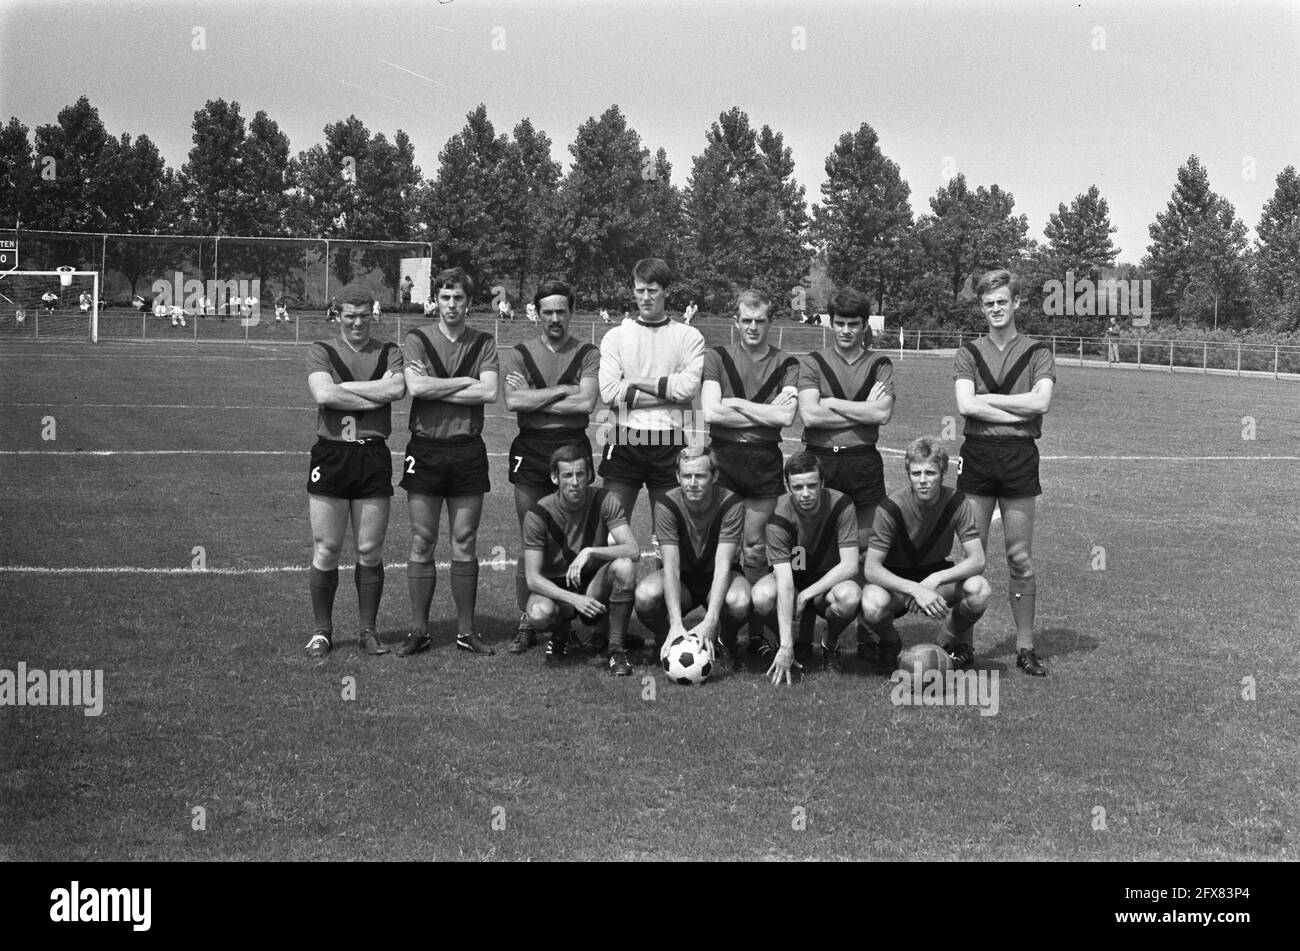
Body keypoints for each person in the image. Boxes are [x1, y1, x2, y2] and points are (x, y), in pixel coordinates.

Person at [953, 268, 1056, 677]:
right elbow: (965, 406)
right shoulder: (968, 351)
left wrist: (988, 399)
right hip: (977, 455)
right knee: (971, 558)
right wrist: (1018, 404)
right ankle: (963, 645)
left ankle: (1025, 648)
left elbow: (1042, 403)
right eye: (988, 303)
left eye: (1002, 301)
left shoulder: (1038, 352)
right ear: (982, 307)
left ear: (1016, 303)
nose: (995, 308)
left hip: (1018, 457)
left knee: (1019, 557)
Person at [397, 266, 499, 657]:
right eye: (445, 297)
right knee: (422, 539)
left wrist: (440, 389)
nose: (451, 304)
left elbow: (489, 393)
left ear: (469, 303)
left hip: (467, 449)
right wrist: (464, 384)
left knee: (465, 540)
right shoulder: (417, 338)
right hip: (425, 449)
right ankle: (419, 630)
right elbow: (416, 387)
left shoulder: (484, 342)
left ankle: (466, 631)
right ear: (435, 300)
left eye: (458, 298)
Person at [302, 285, 406, 659]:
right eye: (350, 314)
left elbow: (397, 389)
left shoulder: (389, 350)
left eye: (364, 314)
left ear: (373, 314)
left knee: (369, 549)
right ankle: (322, 631)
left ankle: (368, 631)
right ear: (338, 314)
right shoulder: (321, 349)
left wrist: (345, 387)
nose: (358, 321)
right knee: (327, 548)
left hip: (372, 454)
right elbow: (324, 396)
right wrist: (373, 394)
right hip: (332, 453)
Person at [500, 279, 604, 654]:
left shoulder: (588, 352)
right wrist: (564, 390)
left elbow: (587, 403)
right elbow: (513, 401)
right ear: (537, 314)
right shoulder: (519, 352)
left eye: (562, 311)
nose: (555, 318)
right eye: (548, 311)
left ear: (571, 313)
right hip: (531, 449)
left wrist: (538, 398)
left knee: (578, 536)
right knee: (531, 537)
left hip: (574, 448)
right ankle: (527, 620)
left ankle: (577, 617)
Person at [699, 289, 799, 657]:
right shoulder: (717, 356)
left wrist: (737, 402)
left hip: (763, 460)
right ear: (736, 322)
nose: (753, 327)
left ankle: (757, 632)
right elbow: (710, 413)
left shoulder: (787, 362)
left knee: (755, 549)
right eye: (747, 321)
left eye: (760, 321)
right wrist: (763, 411)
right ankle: (723, 631)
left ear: (770, 322)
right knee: (723, 547)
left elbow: (786, 417)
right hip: (722, 457)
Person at [796, 286, 893, 665]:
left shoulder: (880, 363)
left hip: (863, 461)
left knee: (867, 547)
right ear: (829, 323)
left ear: (864, 325)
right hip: (820, 459)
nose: (846, 330)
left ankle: (867, 632)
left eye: (854, 324)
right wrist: (857, 408)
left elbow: (881, 415)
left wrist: (831, 402)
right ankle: (804, 630)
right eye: (840, 323)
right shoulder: (812, 362)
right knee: (808, 546)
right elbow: (810, 416)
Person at [860, 437, 990, 672]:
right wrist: (915, 589)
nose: (922, 481)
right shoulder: (890, 507)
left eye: (930, 473)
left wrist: (935, 579)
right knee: (871, 604)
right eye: (915, 473)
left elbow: (977, 559)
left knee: (979, 589)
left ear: (943, 473)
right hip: (897, 584)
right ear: (907, 474)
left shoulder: (957, 502)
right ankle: (890, 643)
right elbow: (871, 568)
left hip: (936, 577)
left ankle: (944, 643)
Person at [597, 257, 705, 536]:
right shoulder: (616, 336)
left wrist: (632, 382)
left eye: (653, 290)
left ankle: (665, 580)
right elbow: (610, 392)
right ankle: (615, 581)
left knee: (668, 537)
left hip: (670, 438)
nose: (645, 297)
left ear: (666, 291)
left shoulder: (688, 336)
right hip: (623, 435)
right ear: (632, 291)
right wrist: (669, 397)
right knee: (611, 533)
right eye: (640, 290)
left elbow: (688, 390)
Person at [522, 446, 640, 673]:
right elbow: (532, 579)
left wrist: (590, 551)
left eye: (580, 474)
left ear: (589, 476)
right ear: (555, 477)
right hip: (555, 588)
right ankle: (560, 635)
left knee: (624, 567)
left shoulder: (605, 499)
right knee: (538, 613)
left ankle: (616, 649)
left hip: (593, 581)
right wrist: (575, 600)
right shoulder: (538, 514)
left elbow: (632, 550)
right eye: (567, 475)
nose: (574, 482)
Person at [633, 445, 749, 671]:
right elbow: (671, 567)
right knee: (645, 596)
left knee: (741, 601)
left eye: (700, 476)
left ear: (714, 476)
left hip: (717, 576)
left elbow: (723, 565)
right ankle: (666, 638)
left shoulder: (731, 503)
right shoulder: (667, 504)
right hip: (683, 580)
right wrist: (675, 623)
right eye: (686, 476)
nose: (692, 482)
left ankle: (726, 640)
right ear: (678, 476)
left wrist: (711, 620)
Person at [752, 452, 862, 683]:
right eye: (798, 487)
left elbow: (851, 565)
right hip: (794, 578)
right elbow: (783, 580)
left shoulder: (842, 504)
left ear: (822, 482)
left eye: (812, 485)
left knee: (850, 597)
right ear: (788, 486)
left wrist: (806, 597)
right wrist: (786, 645)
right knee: (762, 597)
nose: (805, 494)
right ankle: (789, 645)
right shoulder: (778, 517)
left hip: (830, 581)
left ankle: (829, 643)